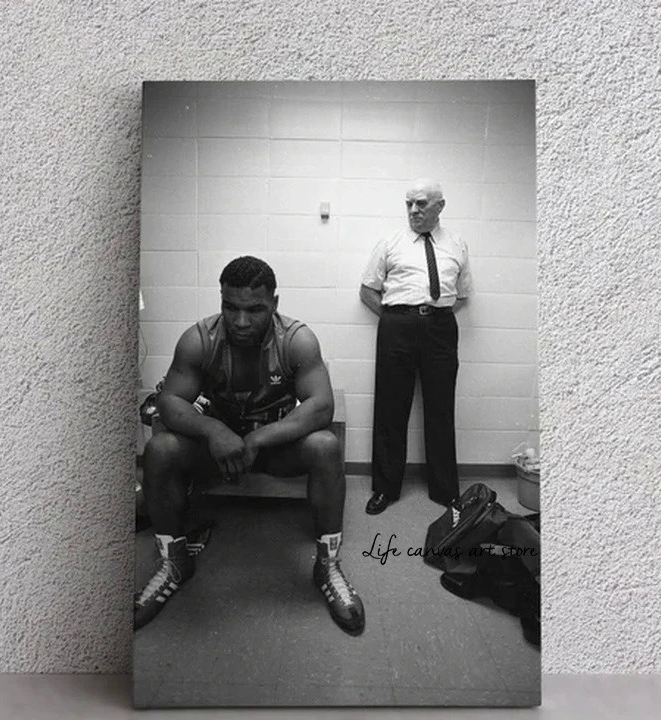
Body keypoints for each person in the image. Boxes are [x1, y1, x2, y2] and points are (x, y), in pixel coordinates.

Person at [135, 256, 365, 636]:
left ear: (274, 303)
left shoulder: (296, 339)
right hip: (217, 449)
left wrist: (257, 439)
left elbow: (321, 404)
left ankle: (328, 563)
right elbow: (171, 401)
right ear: (221, 300)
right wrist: (212, 430)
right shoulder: (199, 339)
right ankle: (174, 561)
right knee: (161, 450)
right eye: (231, 307)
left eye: (254, 309)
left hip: (272, 445)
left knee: (325, 446)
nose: (241, 321)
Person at [359, 178, 472, 515]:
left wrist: (429, 317)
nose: (413, 210)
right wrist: (400, 318)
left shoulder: (456, 244)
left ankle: (445, 490)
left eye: (421, 203)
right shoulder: (390, 242)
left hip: (440, 328)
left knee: (441, 408)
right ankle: (385, 488)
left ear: (440, 206)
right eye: (408, 203)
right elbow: (367, 290)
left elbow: (462, 296)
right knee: (391, 408)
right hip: (397, 326)